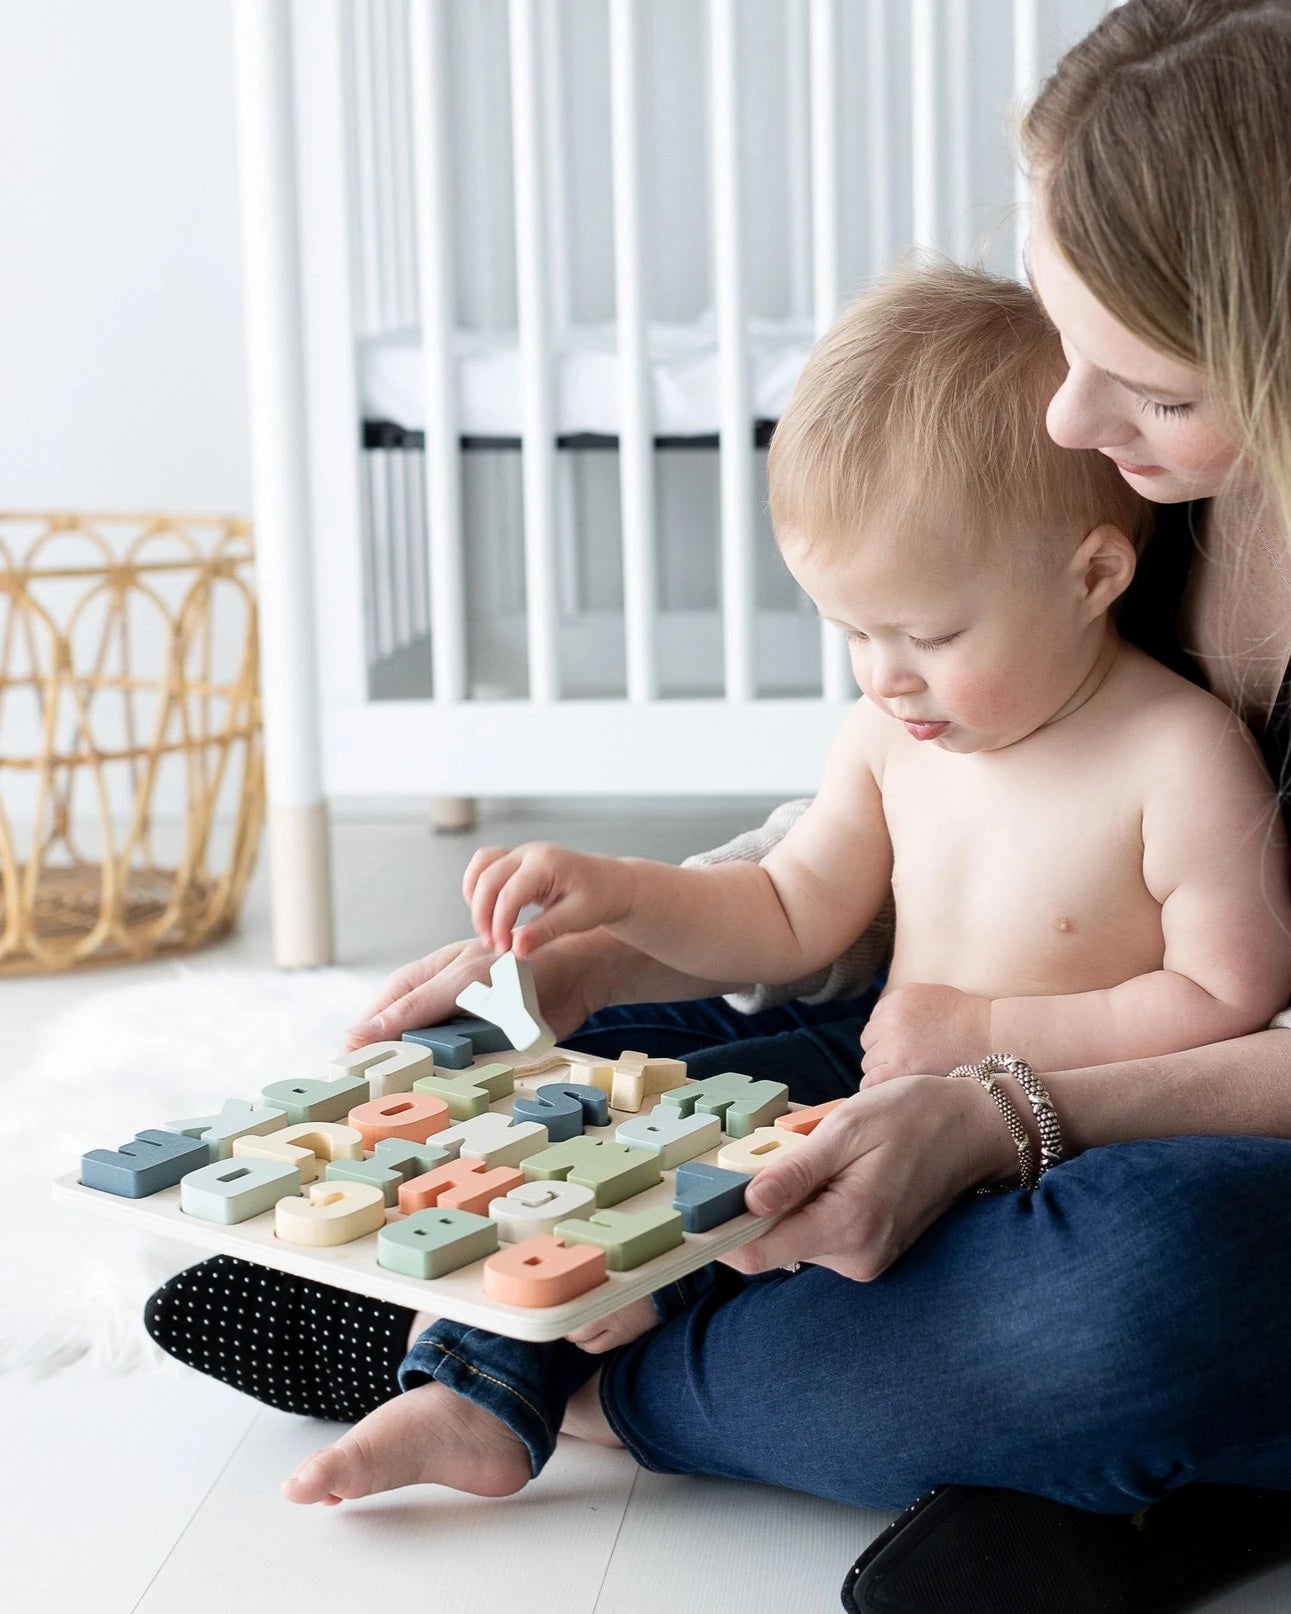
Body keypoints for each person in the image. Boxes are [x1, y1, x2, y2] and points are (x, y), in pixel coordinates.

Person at [143, 3, 1291, 1607]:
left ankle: (574, 1369)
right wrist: (620, 934)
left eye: (1146, 388)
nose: (1066, 422)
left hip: (1161, 1130)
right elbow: (818, 894)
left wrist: (1009, 1087)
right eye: (1059, 334)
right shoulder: (1095, 493)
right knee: (591, 1080)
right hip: (923, 1052)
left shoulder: (1173, 739)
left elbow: (1219, 997)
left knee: (1139, 1294)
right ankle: (538, 1324)